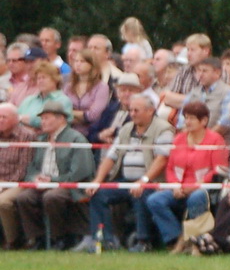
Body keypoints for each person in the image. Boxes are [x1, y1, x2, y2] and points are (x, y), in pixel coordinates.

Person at [77, 93, 174, 251]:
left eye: (136, 110)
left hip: (152, 183)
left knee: (140, 193)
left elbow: (162, 159)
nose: (132, 114)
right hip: (125, 181)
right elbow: (111, 156)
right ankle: (104, 239)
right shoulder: (126, 129)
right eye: (131, 110)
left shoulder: (163, 129)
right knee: (97, 193)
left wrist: (144, 180)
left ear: (150, 111)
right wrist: (97, 181)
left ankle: (143, 242)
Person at [0, 101, 96, 249]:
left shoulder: (76, 139)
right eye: (42, 118)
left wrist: (54, 180)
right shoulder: (42, 140)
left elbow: (81, 171)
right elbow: (31, 167)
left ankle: (59, 238)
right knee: (24, 198)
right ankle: (37, 238)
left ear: (61, 119)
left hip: (67, 185)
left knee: (52, 197)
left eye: (46, 118)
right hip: (43, 183)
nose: (42, 122)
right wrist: (34, 178)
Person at [140, 100, 226, 247]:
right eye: (186, 117)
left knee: (197, 197)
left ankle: (195, 239)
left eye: (192, 118)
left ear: (204, 120)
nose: (187, 121)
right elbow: (170, 167)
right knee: (154, 200)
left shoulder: (215, 140)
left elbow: (218, 170)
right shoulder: (179, 139)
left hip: (203, 189)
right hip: (178, 189)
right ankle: (176, 238)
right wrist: (175, 186)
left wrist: (192, 187)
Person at [0, 103, 36, 248]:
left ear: (16, 119)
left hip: (19, 182)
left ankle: (14, 241)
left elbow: (24, 169)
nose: (0, 120)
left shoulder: (27, 136)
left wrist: (4, 185)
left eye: (4, 117)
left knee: (3, 202)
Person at [66, 52, 114, 142]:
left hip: (90, 135)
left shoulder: (101, 87)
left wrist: (70, 113)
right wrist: (82, 116)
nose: (78, 64)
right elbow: (61, 113)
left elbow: (93, 116)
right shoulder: (68, 87)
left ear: (92, 65)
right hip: (68, 134)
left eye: (82, 61)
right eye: (76, 61)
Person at [160, 33, 211, 113]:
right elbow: (167, 98)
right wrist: (197, 100)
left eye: (193, 50)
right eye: (188, 50)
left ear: (206, 51)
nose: (188, 54)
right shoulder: (184, 71)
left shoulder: (218, 71)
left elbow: (213, 103)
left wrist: (180, 100)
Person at [18, 60, 73, 129]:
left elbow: (60, 124)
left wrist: (29, 120)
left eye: (44, 77)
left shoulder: (63, 100)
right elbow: (16, 119)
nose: (40, 81)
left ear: (55, 79)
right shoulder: (28, 100)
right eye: (38, 78)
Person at [181, 56, 230, 126]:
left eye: (204, 71)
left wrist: (208, 136)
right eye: (199, 70)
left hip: (216, 135)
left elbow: (226, 122)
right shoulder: (193, 92)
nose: (200, 75)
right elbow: (181, 118)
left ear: (217, 73)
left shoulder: (227, 93)